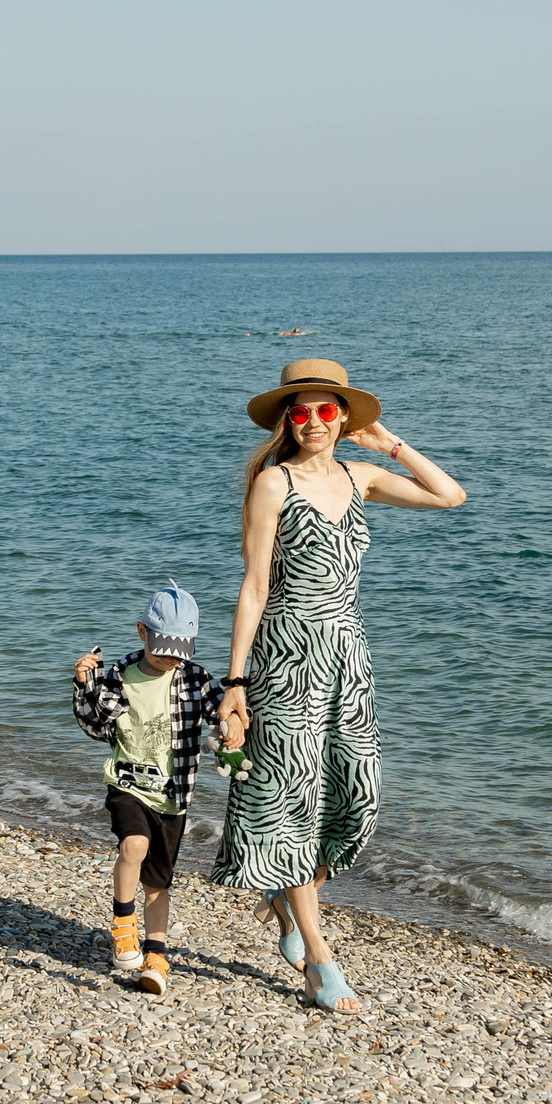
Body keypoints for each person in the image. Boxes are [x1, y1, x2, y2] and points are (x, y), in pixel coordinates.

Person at [210, 358, 465, 1015]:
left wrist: (391, 443)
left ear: (345, 417)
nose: (315, 421)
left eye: (329, 410)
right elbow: (255, 587)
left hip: (347, 659)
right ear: (286, 420)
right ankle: (319, 958)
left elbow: (449, 495)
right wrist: (234, 680)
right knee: (292, 803)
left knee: (358, 795)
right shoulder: (274, 482)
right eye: (302, 411)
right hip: (286, 656)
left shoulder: (362, 477)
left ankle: (285, 896)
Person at [70, 580, 241, 996]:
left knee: (159, 884)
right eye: (162, 648)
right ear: (142, 632)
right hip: (126, 782)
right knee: (133, 845)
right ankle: (122, 925)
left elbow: (224, 712)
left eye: (179, 652)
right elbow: (96, 726)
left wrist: (233, 726)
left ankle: (156, 954)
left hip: (173, 796)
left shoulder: (195, 679)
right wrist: (84, 685)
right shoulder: (120, 675)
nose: (169, 659)